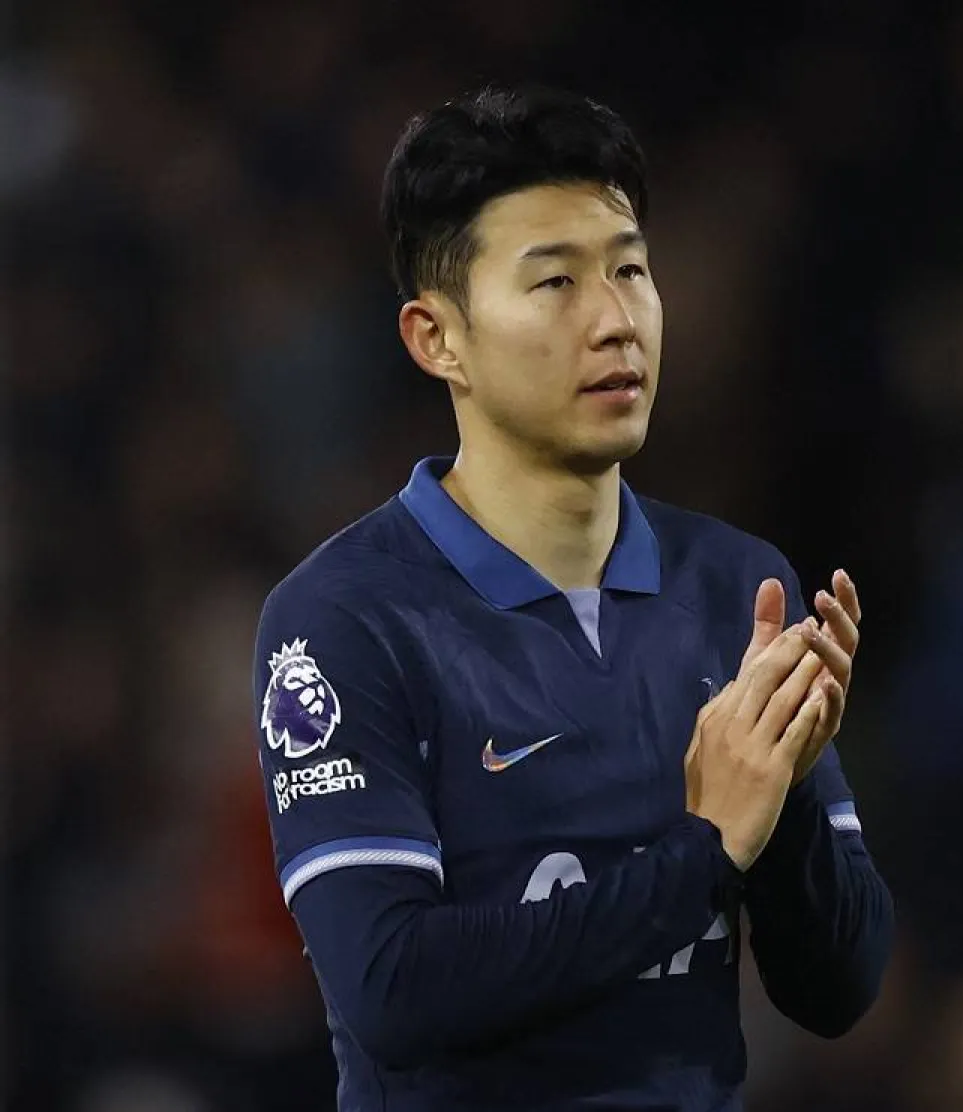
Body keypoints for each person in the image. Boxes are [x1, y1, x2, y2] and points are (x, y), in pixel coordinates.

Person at [250, 86, 893, 1111]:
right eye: (554, 282)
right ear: (437, 337)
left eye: (631, 270)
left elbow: (838, 987)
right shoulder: (343, 619)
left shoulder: (738, 586)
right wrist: (703, 849)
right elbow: (395, 987)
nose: (614, 318)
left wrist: (792, 801)